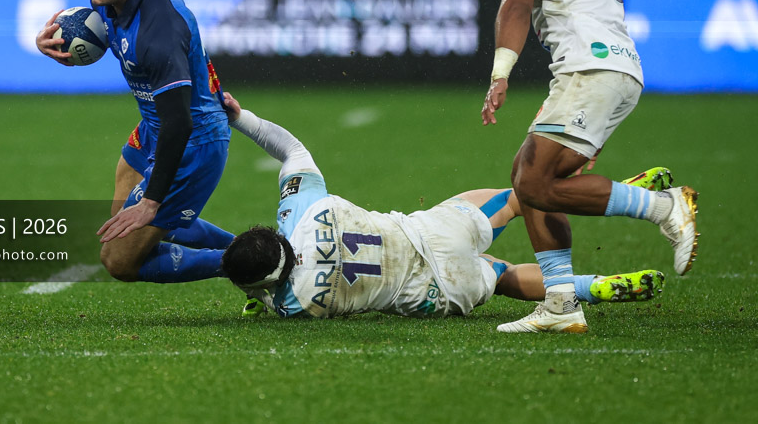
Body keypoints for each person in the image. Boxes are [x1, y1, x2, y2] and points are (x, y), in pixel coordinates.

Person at [481, 0, 699, 333]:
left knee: (535, 183)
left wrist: (500, 74)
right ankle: (561, 303)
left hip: (590, 72)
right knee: (527, 176)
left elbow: (515, 7)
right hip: (615, 71)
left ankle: (664, 206)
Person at [220, 92, 666, 322]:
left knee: (506, 275)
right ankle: (612, 192)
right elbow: (290, 149)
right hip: (432, 234)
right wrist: (241, 117)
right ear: (274, 233)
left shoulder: (295, 305)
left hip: (432, 294)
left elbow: (266, 292)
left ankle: (595, 286)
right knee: (524, 197)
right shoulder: (303, 210)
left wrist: (256, 294)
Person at [35, 0, 235, 283]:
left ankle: (256, 264)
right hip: (152, 128)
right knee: (126, 208)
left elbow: (180, 122)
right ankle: (245, 246)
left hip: (192, 141)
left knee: (119, 260)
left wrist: (152, 201)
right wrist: (46, 44)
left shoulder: (158, 27)